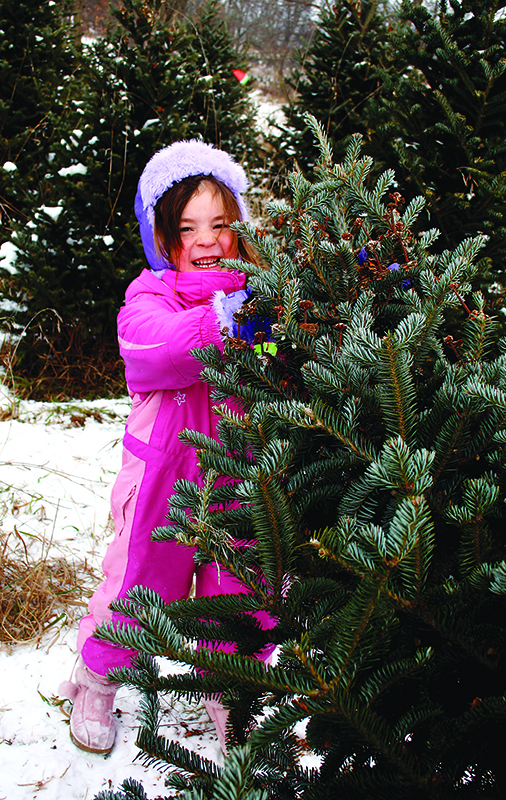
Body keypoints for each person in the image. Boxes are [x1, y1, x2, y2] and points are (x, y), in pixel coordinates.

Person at [60, 140, 271, 755]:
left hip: (237, 468)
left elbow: (275, 366)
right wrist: (220, 323)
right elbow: (154, 352)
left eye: (219, 224)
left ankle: (232, 689)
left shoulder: (260, 298)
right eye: (188, 227)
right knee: (140, 583)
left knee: (241, 585)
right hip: (162, 474)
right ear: (163, 237)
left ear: (238, 229)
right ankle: (97, 676)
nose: (206, 240)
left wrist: (275, 332)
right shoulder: (148, 297)